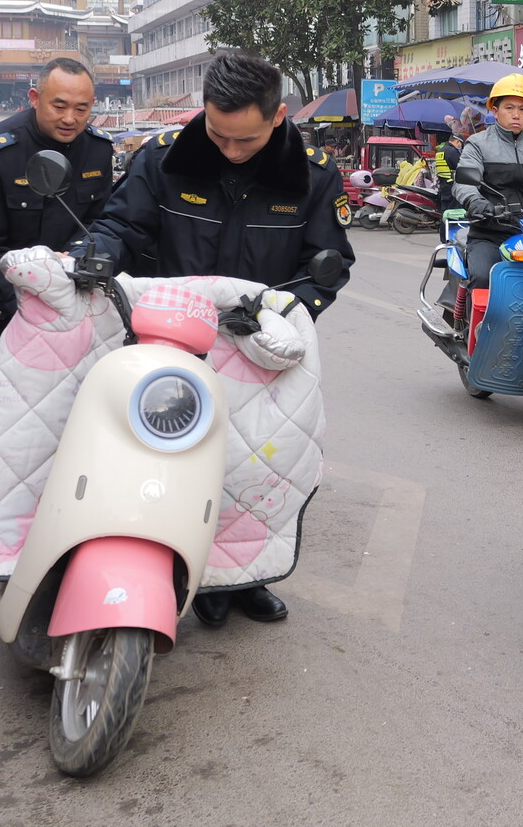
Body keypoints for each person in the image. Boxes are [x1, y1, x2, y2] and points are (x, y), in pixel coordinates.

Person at [80, 52, 354, 629]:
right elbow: (122, 226)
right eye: (218, 134)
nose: (230, 150)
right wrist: (96, 253)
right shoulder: (162, 162)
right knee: (170, 466)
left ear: (277, 116)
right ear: (204, 112)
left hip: (261, 355)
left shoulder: (314, 175)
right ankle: (190, 572)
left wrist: (283, 320)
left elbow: (327, 266)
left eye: (246, 140)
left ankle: (249, 576)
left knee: (257, 473)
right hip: (171, 341)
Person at [0, 58, 115, 397]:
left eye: (81, 108)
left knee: (63, 400)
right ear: (35, 98)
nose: (69, 118)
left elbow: (99, 221)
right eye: (59, 105)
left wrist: (72, 272)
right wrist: (27, 307)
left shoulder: (97, 150)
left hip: (62, 297)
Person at [451, 72, 523, 285]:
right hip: (490, 233)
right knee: (483, 278)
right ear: (495, 110)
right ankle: (479, 318)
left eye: (522, 109)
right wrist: (476, 201)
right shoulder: (478, 144)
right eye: (509, 108)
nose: (516, 115)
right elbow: (464, 182)